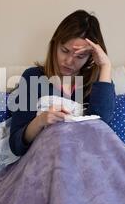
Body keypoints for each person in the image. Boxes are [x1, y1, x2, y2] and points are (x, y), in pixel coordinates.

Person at [9, 10, 116, 156]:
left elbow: (101, 132)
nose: (69, 61)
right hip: (46, 161)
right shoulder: (33, 77)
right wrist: (40, 121)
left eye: (80, 56)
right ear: (54, 45)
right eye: (64, 50)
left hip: (86, 162)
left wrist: (105, 66)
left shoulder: (99, 83)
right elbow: (16, 146)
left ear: (90, 57)